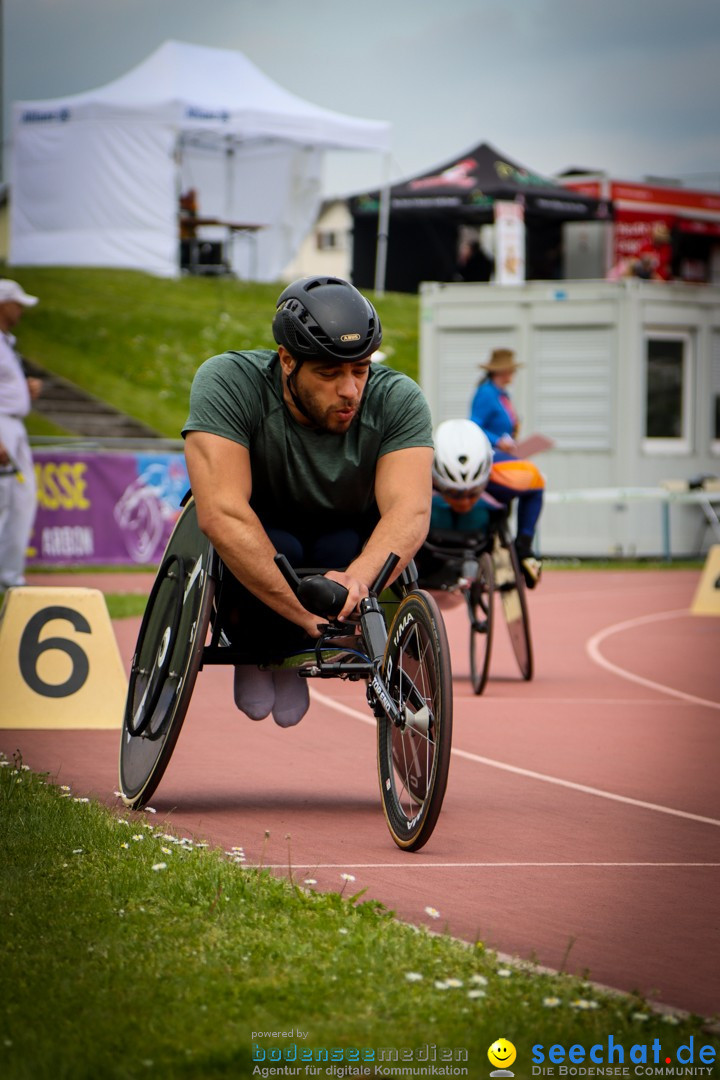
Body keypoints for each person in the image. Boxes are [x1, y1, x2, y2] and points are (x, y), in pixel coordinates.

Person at [182, 275, 434, 727]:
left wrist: (357, 582)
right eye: (329, 373)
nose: (350, 390)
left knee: (338, 547)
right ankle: (259, 648)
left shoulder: (398, 399)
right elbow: (221, 513)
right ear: (287, 360)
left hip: (342, 540)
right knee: (284, 548)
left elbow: (409, 511)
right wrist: (304, 617)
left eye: (361, 370)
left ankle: (295, 648)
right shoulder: (227, 382)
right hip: (263, 535)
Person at [469, 348, 544, 587]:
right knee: (534, 485)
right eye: (511, 368)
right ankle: (523, 547)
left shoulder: (502, 394)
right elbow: (474, 427)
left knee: (510, 503)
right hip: (492, 460)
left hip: (504, 456)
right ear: (502, 371)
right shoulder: (486, 394)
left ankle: (509, 555)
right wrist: (498, 440)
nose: (513, 373)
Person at [415, 419, 493, 591]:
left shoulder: (509, 473)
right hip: (431, 538)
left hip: (475, 535)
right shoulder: (416, 471)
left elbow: (535, 487)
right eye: (454, 493)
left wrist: (523, 548)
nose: (464, 502)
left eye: (473, 493)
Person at [0, 280, 42, 590]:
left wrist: (24, 391)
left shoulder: (7, 343)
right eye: (18, 304)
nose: (22, 310)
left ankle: (10, 578)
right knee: (3, 503)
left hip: (14, 425)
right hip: (2, 425)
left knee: (20, 502)